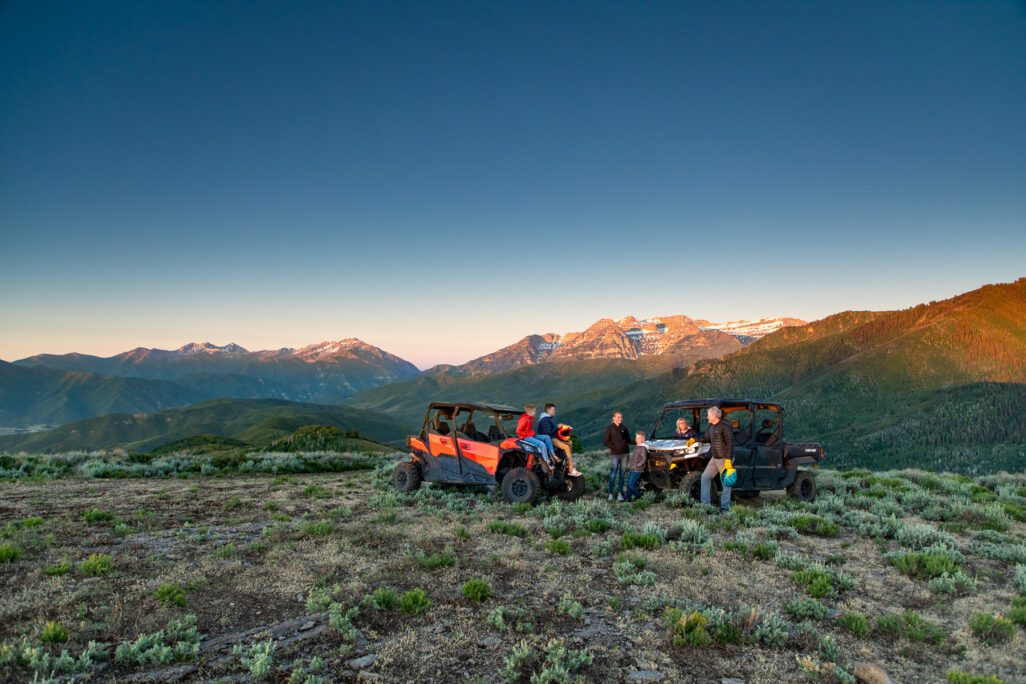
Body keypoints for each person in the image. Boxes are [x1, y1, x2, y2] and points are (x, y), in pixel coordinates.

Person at [700, 406, 733, 513]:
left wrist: (728, 460)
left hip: (724, 459)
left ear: (714, 416)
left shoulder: (725, 426)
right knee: (705, 477)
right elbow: (706, 438)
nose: (707, 417)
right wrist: (694, 439)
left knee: (726, 484)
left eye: (708, 415)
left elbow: (730, 444)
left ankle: (725, 509)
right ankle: (705, 506)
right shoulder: (711, 426)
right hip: (715, 458)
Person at [536, 403, 581, 476]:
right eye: (553, 410)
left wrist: (562, 426)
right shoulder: (544, 420)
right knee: (566, 447)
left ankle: (567, 462)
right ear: (548, 410)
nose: (555, 411)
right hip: (549, 439)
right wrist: (558, 426)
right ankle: (571, 469)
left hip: (552, 437)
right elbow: (548, 432)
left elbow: (552, 430)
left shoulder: (546, 418)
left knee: (569, 442)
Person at [516, 403, 555, 469]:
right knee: (541, 444)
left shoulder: (530, 418)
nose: (536, 412)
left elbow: (529, 429)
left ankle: (553, 455)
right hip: (525, 437)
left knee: (547, 437)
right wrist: (527, 435)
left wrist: (531, 434)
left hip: (531, 435)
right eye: (534, 411)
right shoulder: (523, 419)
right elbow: (518, 431)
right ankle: (547, 461)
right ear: (530, 412)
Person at [603, 410, 631, 502]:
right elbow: (606, 441)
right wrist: (614, 448)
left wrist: (639, 441)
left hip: (625, 454)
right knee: (613, 474)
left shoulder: (624, 428)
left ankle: (619, 493)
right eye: (618, 417)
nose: (620, 419)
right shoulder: (609, 428)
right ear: (614, 418)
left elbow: (628, 440)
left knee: (622, 475)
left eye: (621, 417)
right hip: (615, 455)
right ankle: (610, 494)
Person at [624, 431, 648, 501]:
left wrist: (638, 465)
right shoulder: (637, 446)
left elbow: (644, 459)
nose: (636, 439)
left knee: (632, 484)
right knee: (629, 485)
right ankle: (626, 499)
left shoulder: (643, 448)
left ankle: (640, 497)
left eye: (638, 438)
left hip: (637, 470)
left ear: (643, 439)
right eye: (636, 438)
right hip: (632, 468)